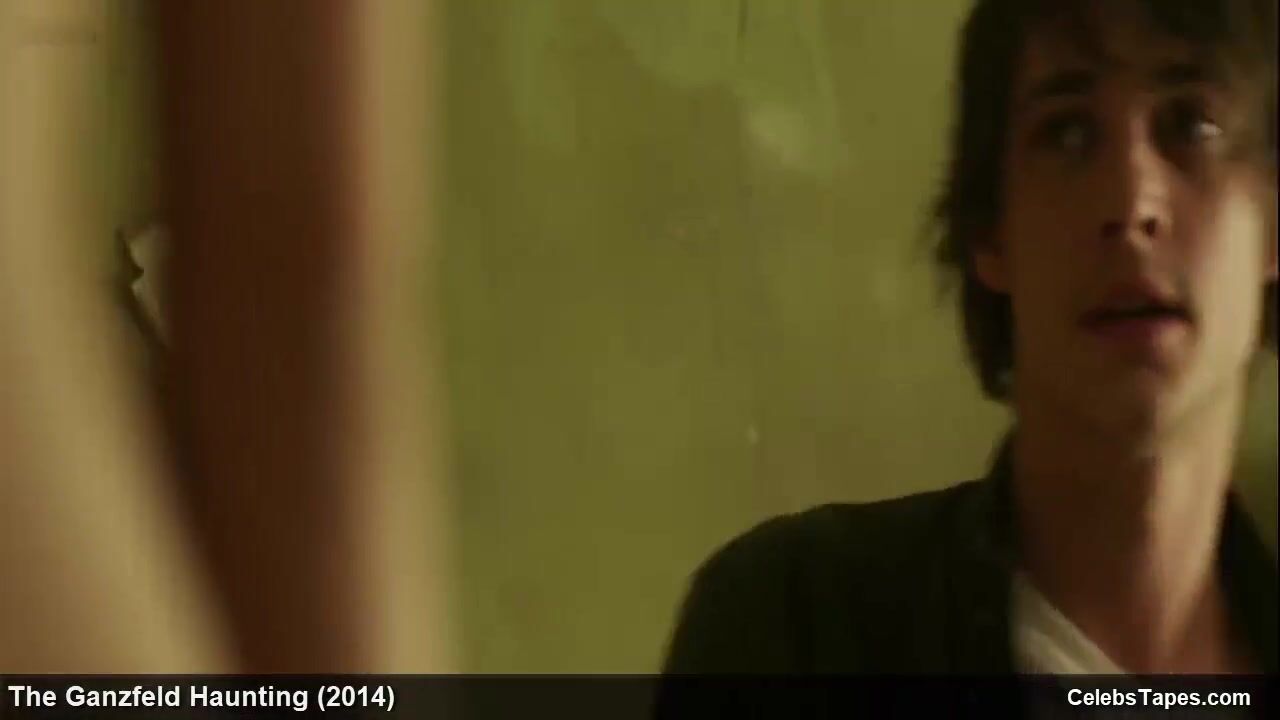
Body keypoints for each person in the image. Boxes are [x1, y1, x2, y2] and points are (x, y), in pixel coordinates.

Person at [661, 0, 1276, 675]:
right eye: (1067, 133)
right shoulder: (794, 630)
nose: (1132, 203)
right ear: (991, 231)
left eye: (1192, 124)